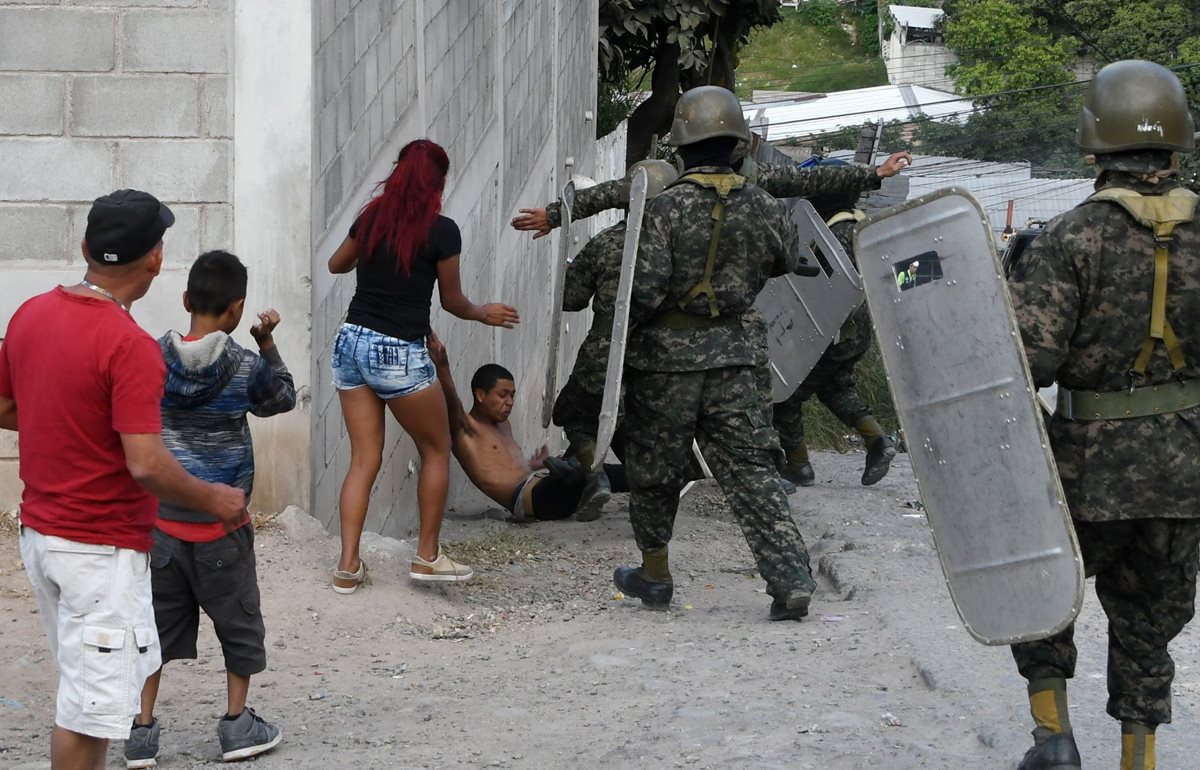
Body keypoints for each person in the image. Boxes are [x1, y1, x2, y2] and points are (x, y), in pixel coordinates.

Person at [0, 190, 247, 770]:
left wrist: (62, 416)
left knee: (91, 696)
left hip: (44, 537)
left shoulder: (30, 313)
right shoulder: (130, 345)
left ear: (85, 248)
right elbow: (147, 463)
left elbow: (5, 404)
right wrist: (216, 498)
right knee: (87, 716)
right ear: (157, 261)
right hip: (98, 550)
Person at [1006, 60, 1200, 770]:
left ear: (1094, 144)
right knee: (1148, 627)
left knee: (1040, 594)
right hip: (1183, 475)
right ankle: (1138, 760)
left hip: (1085, 469)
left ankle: (1053, 734)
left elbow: (1033, 362)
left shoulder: (1067, 238)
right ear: (1178, 145)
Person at [612, 85, 819, 621]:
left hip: (666, 364)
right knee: (751, 468)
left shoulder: (666, 208)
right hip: (736, 358)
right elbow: (784, 262)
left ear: (680, 145)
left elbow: (647, 288)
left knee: (656, 471)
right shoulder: (767, 207)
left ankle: (654, 575)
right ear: (737, 144)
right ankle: (791, 579)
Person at [123, 251, 296, 768]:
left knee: (153, 630)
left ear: (184, 300)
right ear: (238, 308)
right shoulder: (245, 365)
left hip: (162, 529)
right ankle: (237, 725)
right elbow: (282, 398)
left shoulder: (150, 358)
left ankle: (141, 732)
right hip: (224, 526)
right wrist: (267, 344)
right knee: (237, 625)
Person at [326, 139, 520, 591]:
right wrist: (482, 312)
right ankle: (427, 557)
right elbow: (451, 300)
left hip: (352, 342)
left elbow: (337, 265)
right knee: (436, 449)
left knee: (363, 458)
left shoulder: (372, 217)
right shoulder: (442, 231)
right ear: (439, 182)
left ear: (397, 173)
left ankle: (348, 566)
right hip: (399, 351)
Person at [552, 159, 680, 520]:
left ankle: (596, 475)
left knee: (574, 416)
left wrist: (570, 270)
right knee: (642, 424)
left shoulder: (606, 243)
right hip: (663, 353)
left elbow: (571, 300)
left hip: (605, 353)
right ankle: (653, 493)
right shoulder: (679, 249)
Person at [771, 161, 896, 488]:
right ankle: (878, 441)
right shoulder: (862, 225)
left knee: (788, 395)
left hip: (832, 332)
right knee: (835, 387)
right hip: (854, 333)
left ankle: (798, 465)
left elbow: (818, 291)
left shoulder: (834, 233)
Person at [429, 335, 591, 523]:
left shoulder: (504, 425)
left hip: (544, 484)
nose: (510, 402)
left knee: (595, 466)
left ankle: (624, 476)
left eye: (512, 395)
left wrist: (535, 465)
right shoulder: (466, 428)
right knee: (579, 471)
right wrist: (442, 366)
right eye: (503, 395)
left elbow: (510, 470)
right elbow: (452, 402)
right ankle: (572, 470)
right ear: (480, 395)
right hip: (533, 501)